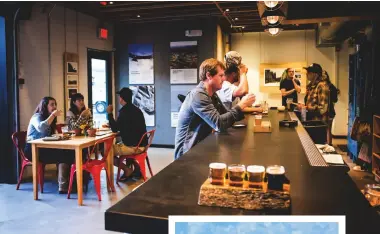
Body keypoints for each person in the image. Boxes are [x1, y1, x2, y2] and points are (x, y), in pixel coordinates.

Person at [174, 58, 256, 159]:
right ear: (209, 76)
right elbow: (219, 124)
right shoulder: (198, 95)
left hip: (200, 148)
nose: (224, 79)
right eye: (220, 75)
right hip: (187, 154)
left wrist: (242, 107)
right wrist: (241, 105)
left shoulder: (212, 95)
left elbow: (226, 117)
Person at [24, 97, 74, 194]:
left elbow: (49, 136)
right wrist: (53, 115)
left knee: (69, 152)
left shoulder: (50, 118)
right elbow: (41, 128)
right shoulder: (36, 117)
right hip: (32, 150)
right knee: (64, 155)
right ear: (44, 106)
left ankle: (69, 183)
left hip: (44, 148)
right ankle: (63, 186)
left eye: (55, 104)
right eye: (52, 104)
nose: (54, 107)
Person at [107, 87, 147, 181]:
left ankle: (127, 170)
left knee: (106, 152)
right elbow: (128, 127)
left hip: (133, 147)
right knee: (120, 145)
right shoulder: (136, 110)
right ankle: (137, 168)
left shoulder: (124, 112)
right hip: (142, 145)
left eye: (119, 97)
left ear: (121, 98)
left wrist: (109, 113)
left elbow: (115, 129)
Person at [322, 70, 339, 145]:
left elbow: (335, 99)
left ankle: (329, 145)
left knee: (328, 129)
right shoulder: (331, 86)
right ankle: (327, 145)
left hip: (328, 111)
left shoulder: (330, 87)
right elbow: (335, 99)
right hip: (326, 111)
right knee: (327, 129)